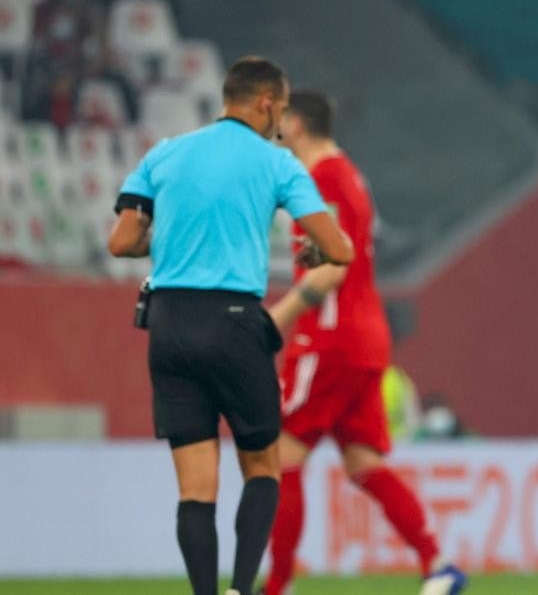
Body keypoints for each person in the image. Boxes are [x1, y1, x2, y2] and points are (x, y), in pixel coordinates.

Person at [107, 57, 354, 595]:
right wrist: (314, 250)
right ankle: (242, 589)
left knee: (196, 488)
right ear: (266, 103)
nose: (283, 124)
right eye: (282, 111)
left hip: (169, 327)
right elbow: (340, 249)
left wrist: (172, 240)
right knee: (263, 466)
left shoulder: (165, 153)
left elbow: (122, 242)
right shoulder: (276, 163)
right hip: (234, 323)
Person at [264, 90, 467, 595]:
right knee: (363, 462)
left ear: (296, 124)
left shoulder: (324, 179)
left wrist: (280, 315)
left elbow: (332, 263)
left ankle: (277, 586)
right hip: (364, 337)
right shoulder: (351, 176)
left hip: (329, 339)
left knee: (277, 455)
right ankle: (437, 566)